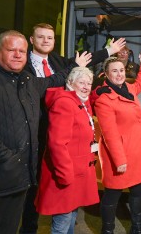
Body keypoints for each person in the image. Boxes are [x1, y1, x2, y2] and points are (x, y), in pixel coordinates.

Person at [0, 30, 91, 234]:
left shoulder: (27, 81)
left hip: (19, 183)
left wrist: (74, 67)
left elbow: (53, 80)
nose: (18, 55)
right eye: (11, 50)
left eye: (22, 51)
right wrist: (10, 159)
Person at [20, 22, 125, 234]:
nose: (46, 41)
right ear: (31, 40)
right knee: (33, 193)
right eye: (41, 37)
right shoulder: (22, 65)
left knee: (66, 206)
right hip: (33, 134)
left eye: (50, 38)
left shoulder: (58, 62)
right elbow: (43, 87)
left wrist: (109, 51)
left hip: (59, 131)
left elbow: (81, 66)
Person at [34, 67, 99, 234]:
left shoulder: (81, 102)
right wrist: (65, 174)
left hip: (76, 174)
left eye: (89, 83)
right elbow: (57, 143)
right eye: (81, 82)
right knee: (62, 223)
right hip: (66, 174)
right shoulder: (65, 103)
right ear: (70, 83)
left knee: (70, 216)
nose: (86, 86)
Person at [93, 52, 141, 234]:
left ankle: (137, 228)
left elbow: (140, 83)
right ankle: (107, 230)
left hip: (136, 154)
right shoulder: (104, 99)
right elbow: (110, 134)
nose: (119, 74)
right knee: (112, 196)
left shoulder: (128, 88)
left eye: (121, 70)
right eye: (114, 71)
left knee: (137, 193)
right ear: (106, 75)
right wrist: (120, 160)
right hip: (118, 156)